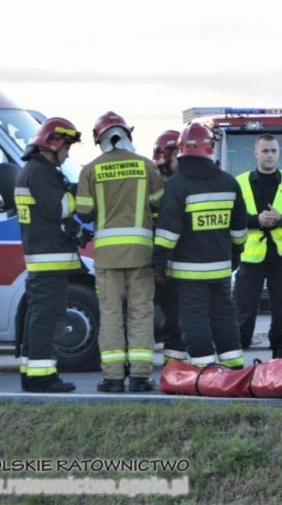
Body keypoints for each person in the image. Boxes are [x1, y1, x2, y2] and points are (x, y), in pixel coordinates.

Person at [76, 112, 164, 393]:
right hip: (140, 254)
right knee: (141, 313)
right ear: (127, 134)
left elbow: (83, 211)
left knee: (111, 314)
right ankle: (140, 377)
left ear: (99, 139)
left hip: (107, 256)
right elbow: (159, 205)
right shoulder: (146, 166)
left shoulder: (90, 170)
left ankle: (113, 378)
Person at [153, 123, 248, 368]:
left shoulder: (177, 185)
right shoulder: (229, 183)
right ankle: (233, 365)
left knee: (194, 319)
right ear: (210, 149)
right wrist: (235, 254)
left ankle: (204, 368)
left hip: (188, 271)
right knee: (224, 315)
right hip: (221, 268)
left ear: (182, 151)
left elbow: (167, 233)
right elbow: (239, 229)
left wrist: (159, 263)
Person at [14, 117, 85, 393]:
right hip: (48, 260)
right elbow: (58, 208)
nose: (67, 154)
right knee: (49, 317)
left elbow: (47, 216)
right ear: (53, 144)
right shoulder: (41, 174)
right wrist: (78, 192)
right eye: (67, 147)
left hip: (42, 258)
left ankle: (31, 373)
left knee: (38, 316)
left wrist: (75, 231)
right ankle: (42, 377)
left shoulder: (32, 171)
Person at [234, 134, 282, 359]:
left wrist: (281, 219)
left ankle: (279, 354)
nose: (270, 155)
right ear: (256, 153)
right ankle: (237, 352)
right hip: (250, 256)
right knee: (244, 309)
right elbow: (233, 218)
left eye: (273, 151)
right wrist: (257, 221)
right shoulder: (240, 182)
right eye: (265, 151)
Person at [151, 129, 187, 362]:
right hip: (160, 260)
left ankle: (174, 361)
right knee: (170, 312)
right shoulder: (161, 186)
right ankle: (173, 361)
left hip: (178, 258)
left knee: (176, 314)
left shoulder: (179, 183)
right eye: (177, 155)